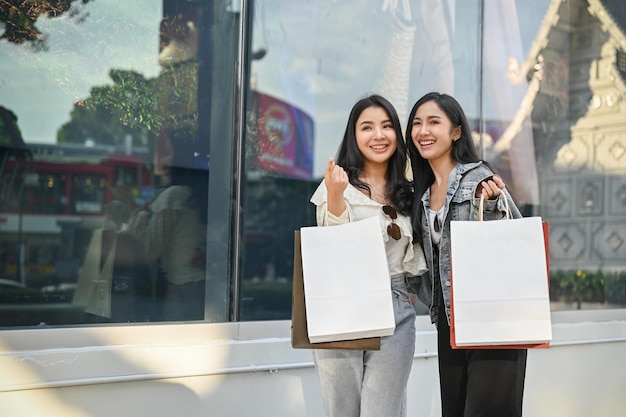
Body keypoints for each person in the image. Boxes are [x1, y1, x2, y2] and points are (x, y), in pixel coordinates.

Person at [406, 92, 526, 417]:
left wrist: (492, 206)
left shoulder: (480, 180)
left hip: (492, 318)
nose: (423, 131)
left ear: (456, 131)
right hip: (450, 323)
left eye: (434, 122)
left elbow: (516, 241)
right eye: (416, 123)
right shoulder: (420, 195)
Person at [309, 94, 427, 417]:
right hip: (341, 304)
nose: (378, 135)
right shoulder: (336, 184)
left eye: (387, 126)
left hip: (396, 306)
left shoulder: (410, 192)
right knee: (342, 409)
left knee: (383, 410)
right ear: (354, 135)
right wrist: (335, 197)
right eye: (367, 127)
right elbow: (331, 247)